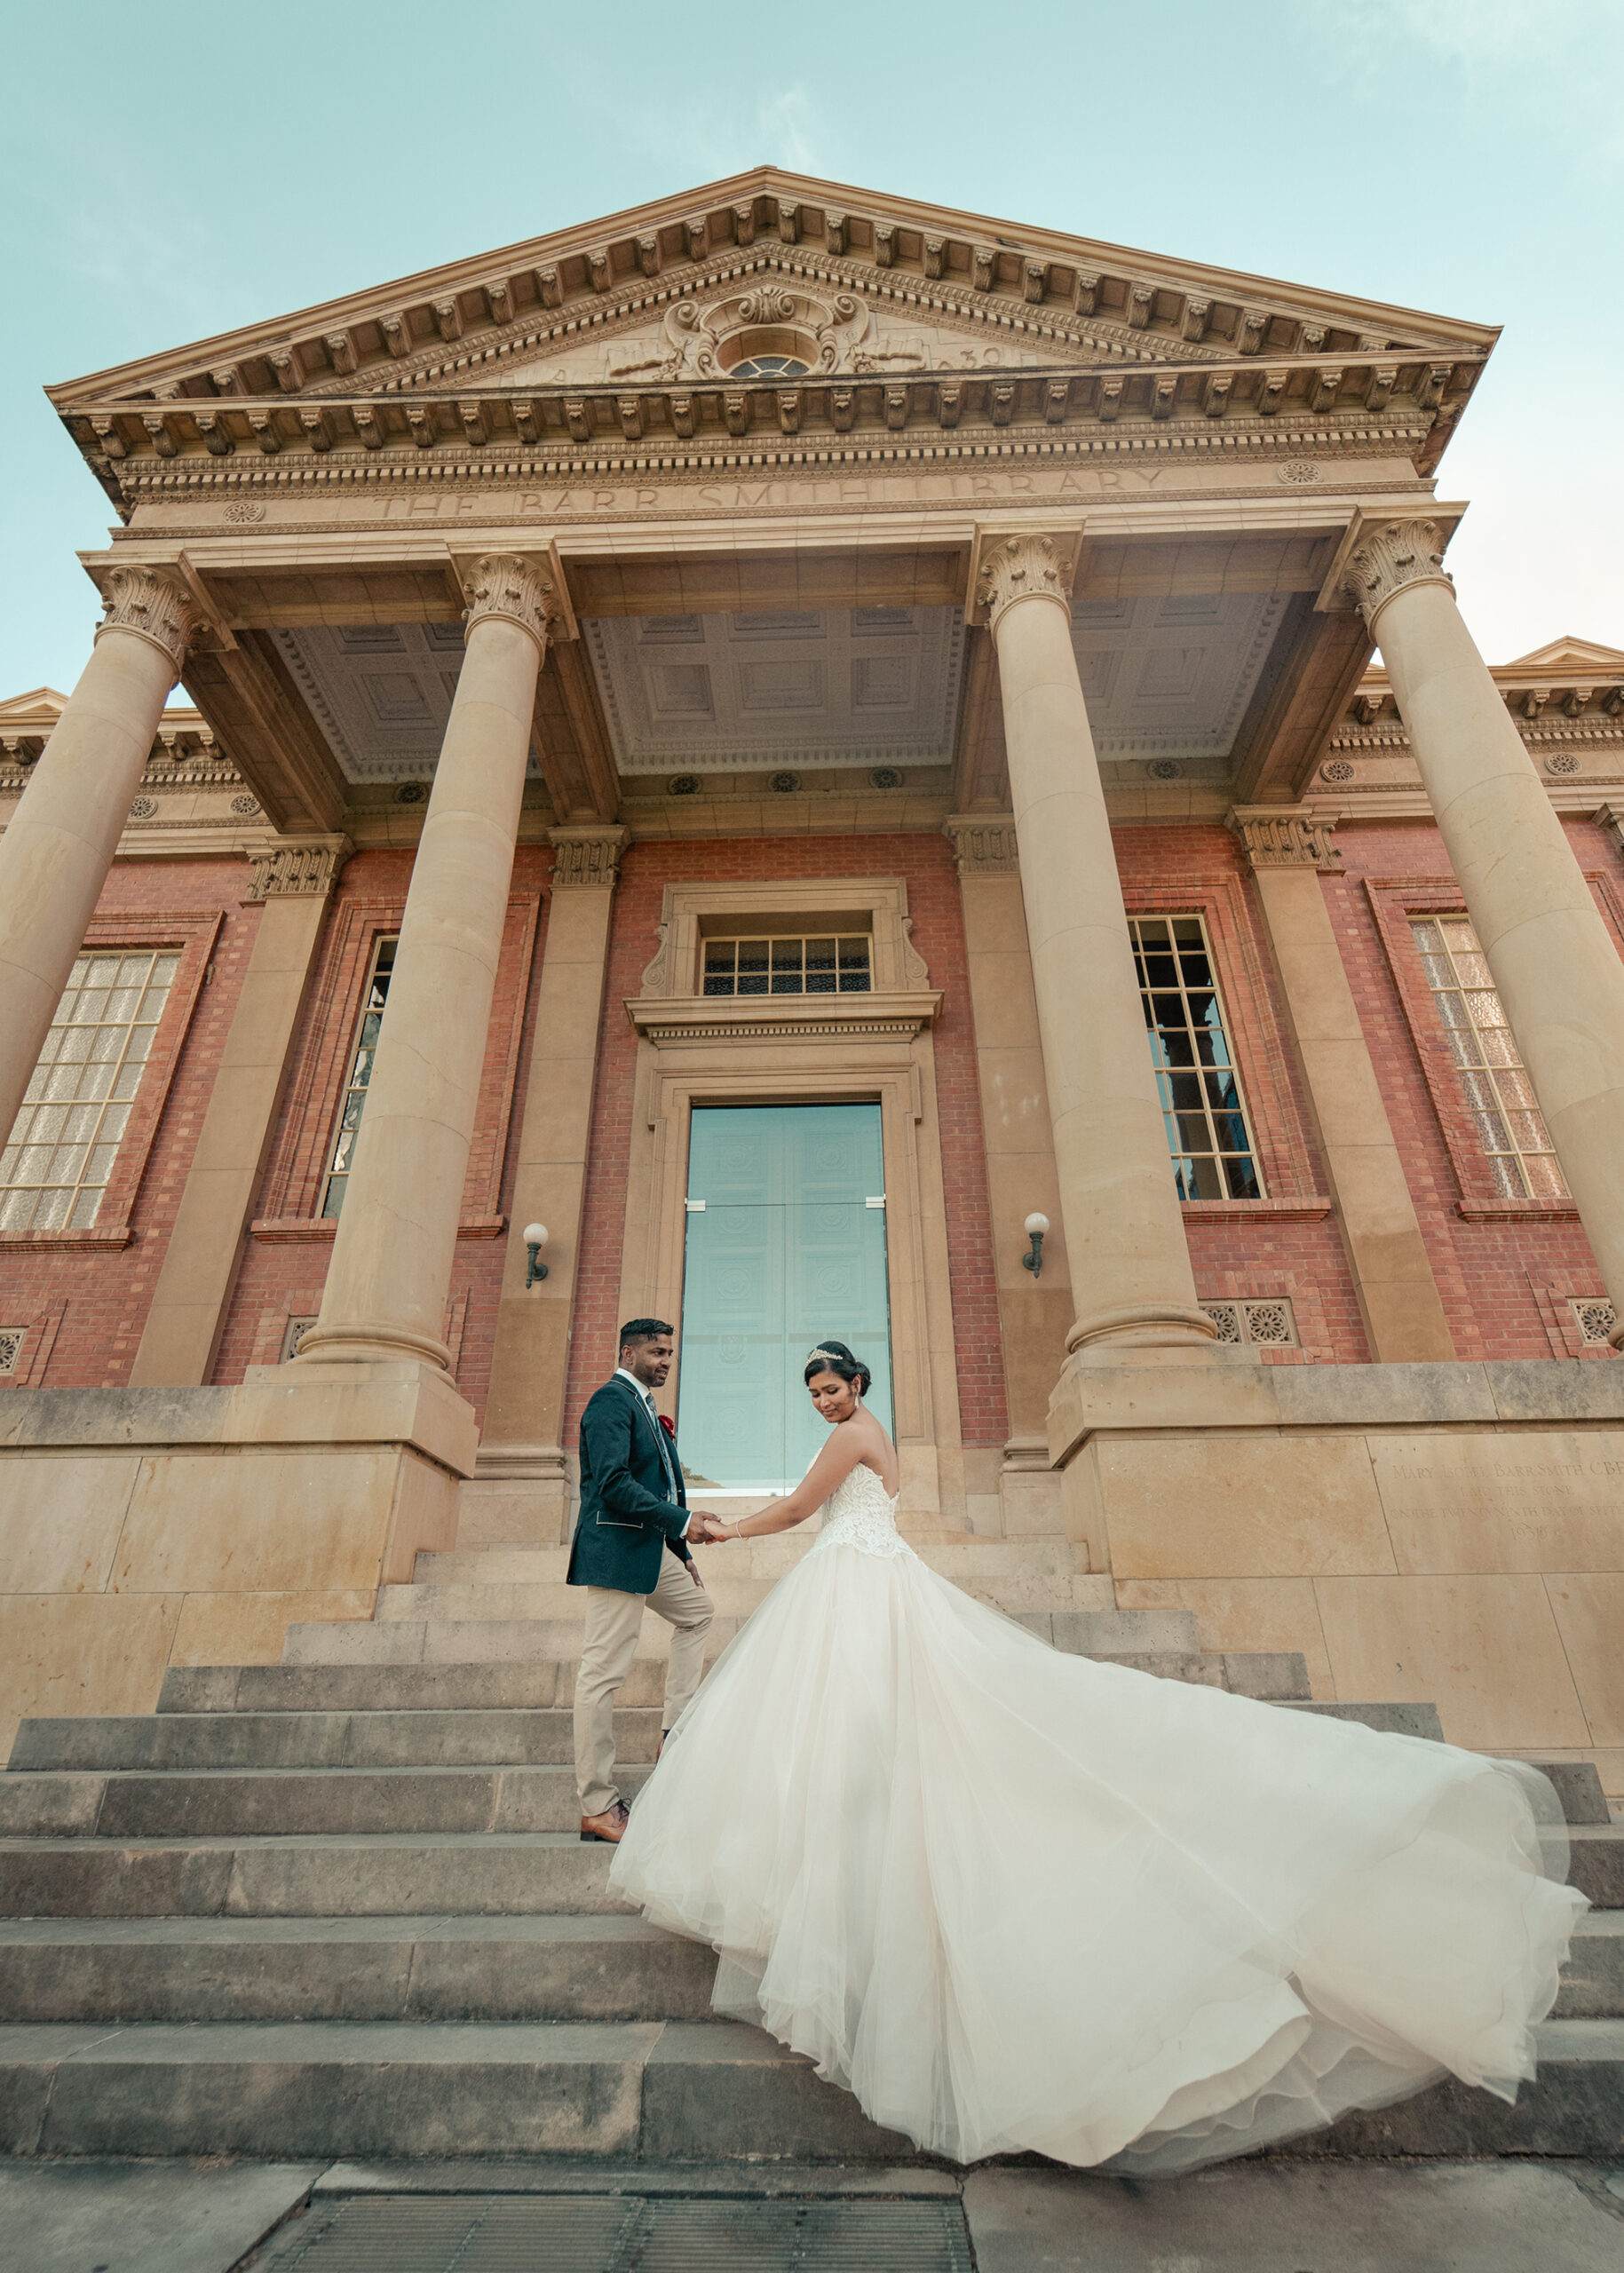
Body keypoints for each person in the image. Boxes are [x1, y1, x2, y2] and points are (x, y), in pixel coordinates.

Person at [610, 1337, 1586, 2172]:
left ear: (858, 1387)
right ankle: (838, 1857)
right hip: (858, 1586)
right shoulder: (862, 1435)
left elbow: (794, 1510)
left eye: (833, 1387)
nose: (825, 1400)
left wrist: (721, 1525)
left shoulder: (854, 1438)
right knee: (853, 1732)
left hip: (855, 1592)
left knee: (860, 1721)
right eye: (815, 1392)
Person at [567, 1318, 716, 1845]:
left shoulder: (646, 1409)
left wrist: (679, 1549)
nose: (666, 1362)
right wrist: (682, 1523)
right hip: (614, 1552)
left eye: (670, 1354)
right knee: (602, 1675)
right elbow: (612, 1484)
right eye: (656, 1352)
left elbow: (666, 1484)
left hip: (650, 1551)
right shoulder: (611, 1402)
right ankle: (597, 1805)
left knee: (698, 1613)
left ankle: (673, 1735)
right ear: (627, 1351)